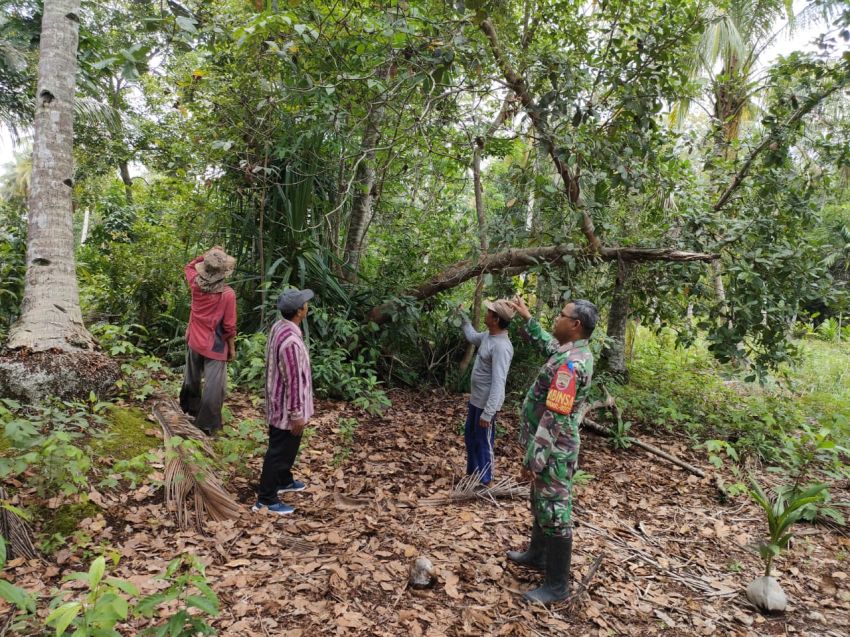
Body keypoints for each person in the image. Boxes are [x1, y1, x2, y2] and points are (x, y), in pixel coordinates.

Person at [505, 296, 598, 605]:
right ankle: (538, 555)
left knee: (555, 510)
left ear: (575, 324)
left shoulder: (572, 365)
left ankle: (557, 587)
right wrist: (527, 318)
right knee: (541, 501)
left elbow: (554, 416)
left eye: (562, 315)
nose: (557, 318)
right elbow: (548, 343)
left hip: (554, 450)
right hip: (548, 446)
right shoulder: (569, 351)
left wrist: (534, 459)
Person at [253, 288, 315, 515]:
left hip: (279, 402)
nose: (307, 306)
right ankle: (266, 499)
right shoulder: (291, 342)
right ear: (299, 311)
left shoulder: (279, 327)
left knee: (289, 446)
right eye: (304, 304)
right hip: (286, 408)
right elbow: (293, 380)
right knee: (279, 450)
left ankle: (283, 479)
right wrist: (296, 414)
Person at [179, 247, 237, 436]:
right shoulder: (227, 294)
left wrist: (207, 255)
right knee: (214, 386)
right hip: (215, 345)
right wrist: (232, 348)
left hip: (194, 339)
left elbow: (189, 266)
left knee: (192, 377)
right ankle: (206, 425)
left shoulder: (195, 283)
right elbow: (229, 326)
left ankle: (190, 409)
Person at [460, 299, 515, 485]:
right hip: (476, 400)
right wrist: (462, 317)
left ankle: (485, 481)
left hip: (486, 405)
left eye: (489, 312)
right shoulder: (487, 336)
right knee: (470, 436)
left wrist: (489, 412)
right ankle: (473, 474)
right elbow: (471, 336)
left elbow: (499, 382)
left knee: (484, 441)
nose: (486, 313)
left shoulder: (501, 347)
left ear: (496, 319)